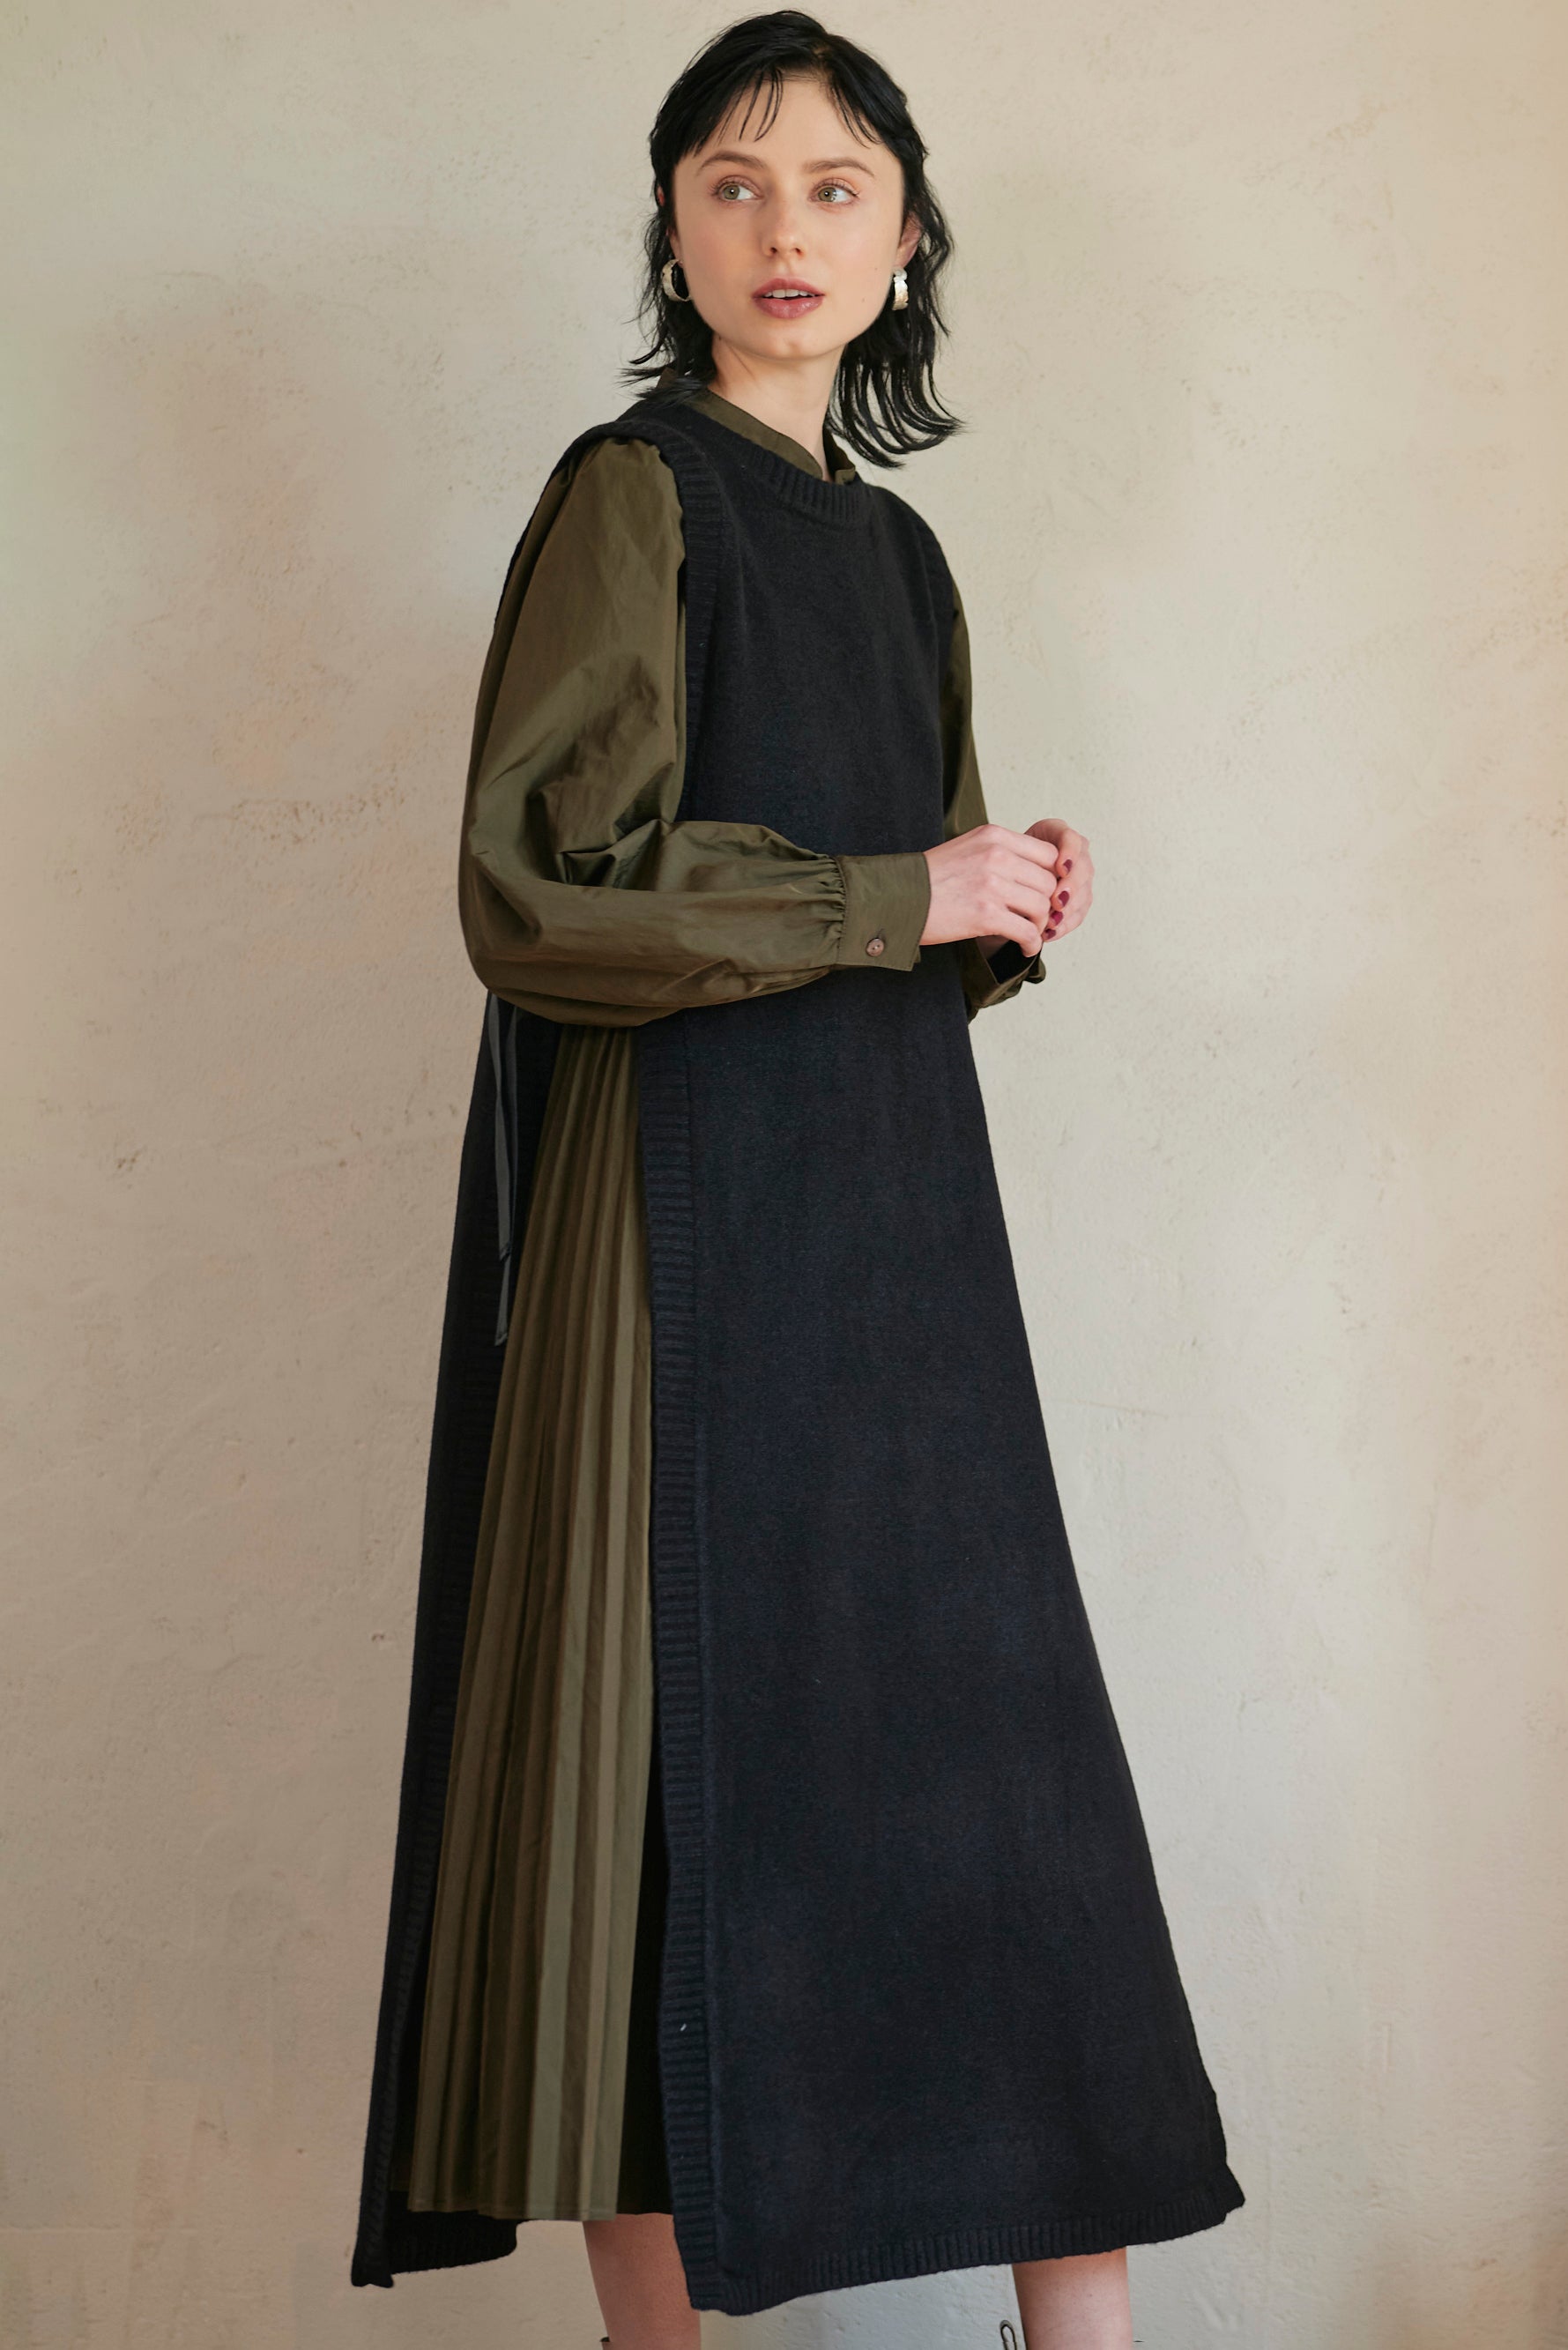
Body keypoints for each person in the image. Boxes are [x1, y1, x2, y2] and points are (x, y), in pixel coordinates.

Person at [350, 14, 1245, 2346]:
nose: (784, 229)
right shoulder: (632, 495)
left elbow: (887, 901)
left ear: (906, 239)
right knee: (656, 1785)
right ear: (671, 232)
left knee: (996, 1768)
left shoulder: (904, 555)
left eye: (835, 188)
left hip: (892, 1238)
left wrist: (993, 909)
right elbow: (539, 891)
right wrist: (900, 897)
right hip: (672, 1239)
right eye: (732, 184)